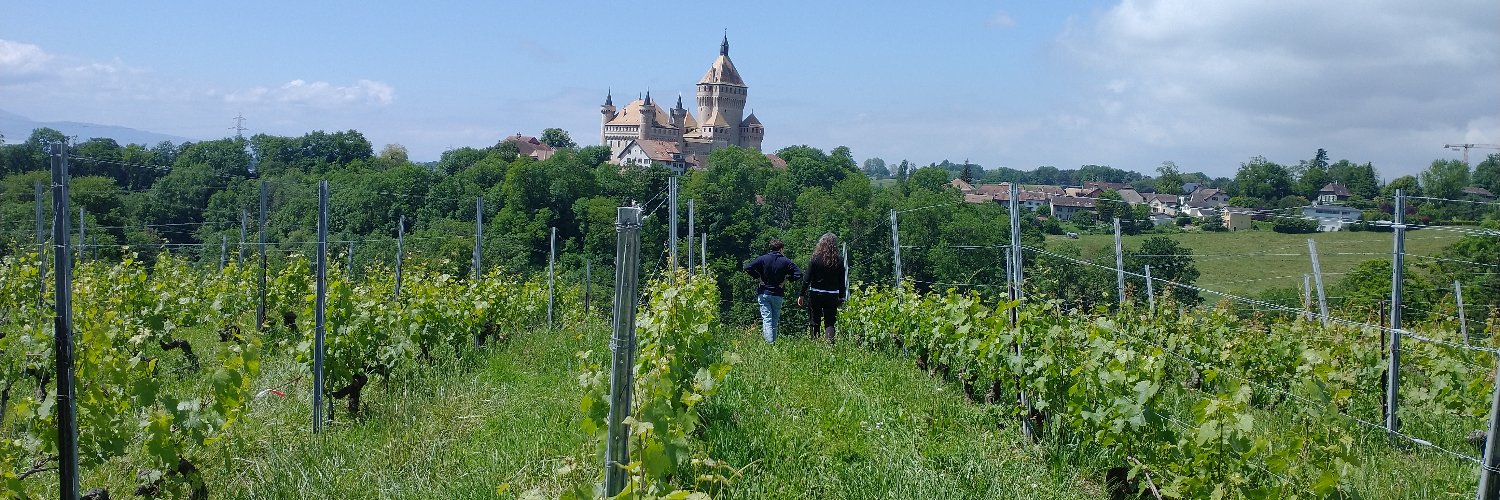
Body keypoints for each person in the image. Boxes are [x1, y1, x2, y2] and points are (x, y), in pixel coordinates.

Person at [743, 238, 802, 343]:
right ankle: (772, 343)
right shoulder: (786, 261)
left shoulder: (763, 259)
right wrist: (787, 279)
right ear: (781, 249)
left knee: (767, 320)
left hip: (764, 292)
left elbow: (748, 267)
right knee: (774, 320)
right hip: (778, 293)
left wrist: (758, 277)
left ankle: (769, 344)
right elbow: (799, 274)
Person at [797, 233, 846, 343]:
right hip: (832, 295)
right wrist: (841, 296)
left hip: (816, 294)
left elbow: (807, 278)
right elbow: (841, 281)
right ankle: (830, 346)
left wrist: (801, 294)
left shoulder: (815, 258)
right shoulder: (839, 260)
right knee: (830, 322)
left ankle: (815, 344)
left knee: (815, 320)